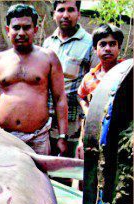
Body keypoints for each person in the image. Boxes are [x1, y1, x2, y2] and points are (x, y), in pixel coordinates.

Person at [0, 4, 68, 155]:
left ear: (35, 29)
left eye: (26, 27)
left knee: (39, 178)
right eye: (16, 27)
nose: (21, 32)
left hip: (37, 138)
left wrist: (62, 136)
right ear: (8, 30)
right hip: (4, 137)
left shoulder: (48, 58)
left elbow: (59, 98)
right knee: (3, 176)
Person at [43, 1, 98, 157]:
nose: (65, 15)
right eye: (61, 10)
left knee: (67, 168)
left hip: (72, 122)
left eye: (70, 10)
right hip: (46, 118)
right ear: (54, 14)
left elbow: (95, 85)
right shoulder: (48, 43)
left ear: (79, 14)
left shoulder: (89, 44)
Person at [76, 24, 124, 160]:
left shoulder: (127, 74)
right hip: (95, 135)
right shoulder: (90, 77)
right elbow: (81, 96)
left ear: (119, 47)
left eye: (112, 44)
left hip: (121, 136)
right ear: (95, 48)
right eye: (102, 44)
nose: (107, 48)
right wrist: (88, 111)